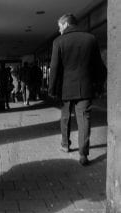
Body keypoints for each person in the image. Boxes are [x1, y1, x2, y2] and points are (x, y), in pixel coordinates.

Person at [48, 14, 106, 166]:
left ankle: (65, 145)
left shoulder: (58, 41)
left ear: (66, 24)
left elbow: (54, 69)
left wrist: (52, 89)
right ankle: (83, 154)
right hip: (85, 87)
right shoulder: (90, 39)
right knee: (84, 119)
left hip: (65, 88)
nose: (59, 30)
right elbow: (99, 66)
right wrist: (99, 86)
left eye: (60, 27)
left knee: (65, 117)